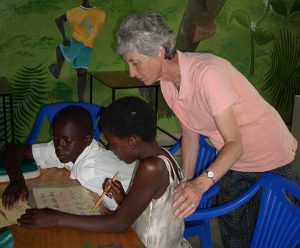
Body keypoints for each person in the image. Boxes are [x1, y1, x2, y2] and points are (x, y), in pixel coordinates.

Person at [116, 12, 298, 248]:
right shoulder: (168, 85)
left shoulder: (207, 74)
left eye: (135, 62)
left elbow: (235, 143)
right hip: (235, 162)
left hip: (271, 156)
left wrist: (201, 184)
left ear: (159, 52)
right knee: (235, 236)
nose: (131, 72)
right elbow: (191, 134)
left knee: (275, 238)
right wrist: (185, 182)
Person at [17, 97, 191, 248]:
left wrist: (55, 218)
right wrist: (124, 200)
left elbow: (118, 223)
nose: (112, 151)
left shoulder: (151, 167)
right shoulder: (162, 154)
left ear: (131, 142)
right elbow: (153, 210)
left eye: (112, 144)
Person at [2, 105, 136, 211]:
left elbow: (128, 212)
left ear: (87, 139)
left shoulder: (91, 172)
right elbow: (13, 150)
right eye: (55, 138)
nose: (59, 146)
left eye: (66, 141)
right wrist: (17, 181)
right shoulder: (66, 148)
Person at [49, 0, 105, 102]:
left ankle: (81, 101)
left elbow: (58, 20)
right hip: (81, 45)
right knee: (81, 73)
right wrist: (64, 37)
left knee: (82, 74)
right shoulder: (75, 12)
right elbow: (58, 21)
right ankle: (57, 71)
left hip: (86, 47)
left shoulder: (100, 14)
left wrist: (64, 37)